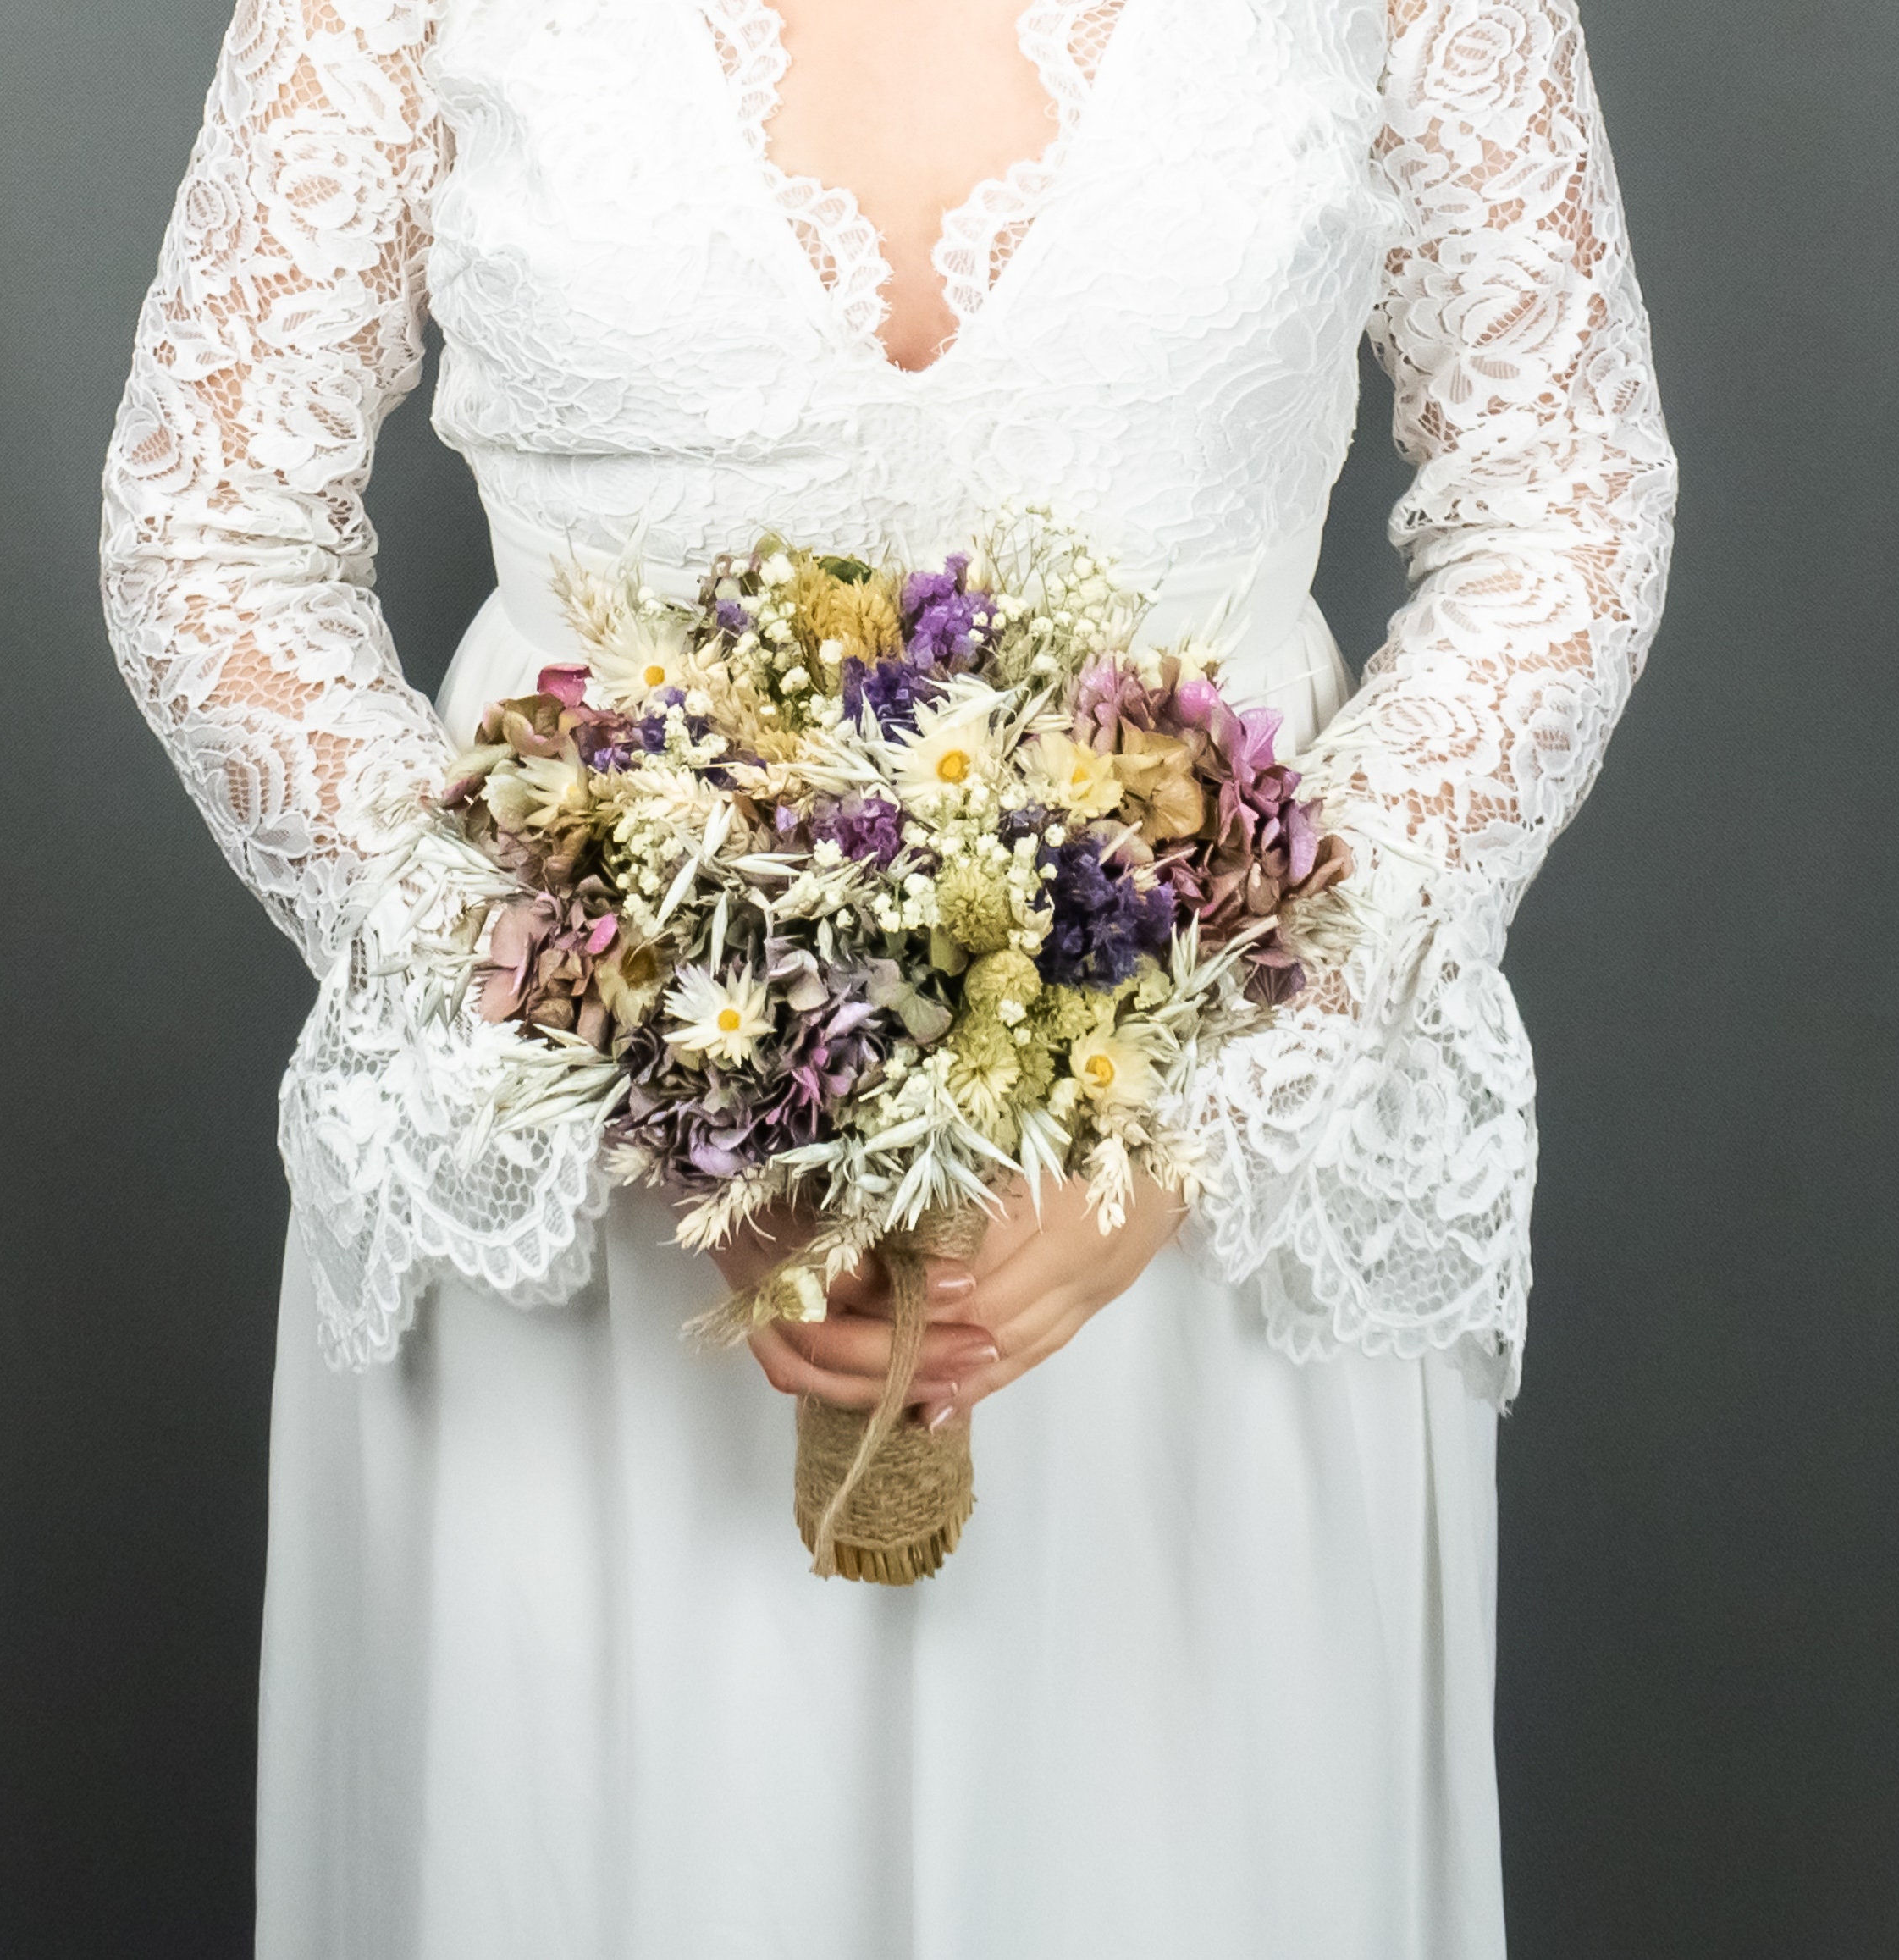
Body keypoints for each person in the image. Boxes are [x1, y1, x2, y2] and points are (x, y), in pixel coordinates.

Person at [99, 0, 1675, 1952]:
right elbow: (211, 530)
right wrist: (608, 1024)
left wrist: (1219, 1098)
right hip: (597, 1233)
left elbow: (1565, 501)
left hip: (1196, 1214)